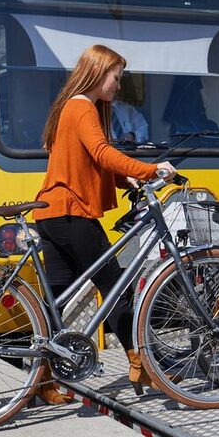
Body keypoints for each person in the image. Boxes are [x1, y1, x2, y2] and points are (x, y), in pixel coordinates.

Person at [34, 44, 176, 404]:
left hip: (51, 215)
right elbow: (101, 153)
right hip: (72, 213)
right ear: (99, 73)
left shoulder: (71, 107)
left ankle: (44, 381)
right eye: (117, 77)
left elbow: (82, 162)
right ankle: (140, 363)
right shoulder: (82, 106)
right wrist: (150, 169)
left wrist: (120, 180)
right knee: (115, 289)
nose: (118, 86)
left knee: (56, 302)